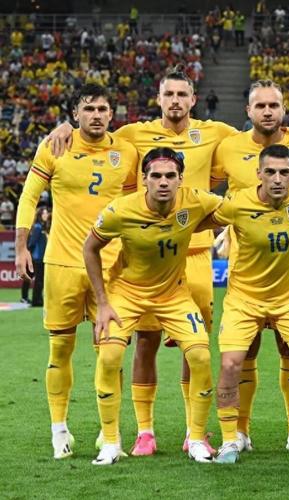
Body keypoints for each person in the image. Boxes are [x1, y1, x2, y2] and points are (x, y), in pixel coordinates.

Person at [46, 70, 289, 456]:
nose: (175, 100)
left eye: (182, 94)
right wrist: (65, 128)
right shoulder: (133, 134)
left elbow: (264, 135)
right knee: (146, 342)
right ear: (159, 99)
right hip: (148, 258)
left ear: (193, 99)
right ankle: (145, 431)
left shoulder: (218, 134)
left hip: (196, 252)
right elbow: (96, 134)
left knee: (197, 347)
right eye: (168, 93)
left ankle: (195, 432)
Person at [15, 83, 138, 459]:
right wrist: (21, 246)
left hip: (112, 267)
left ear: (112, 114)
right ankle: (59, 430)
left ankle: (108, 432)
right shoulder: (55, 145)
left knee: (111, 353)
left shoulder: (126, 151)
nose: (96, 115)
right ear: (75, 114)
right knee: (60, 348)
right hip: (62, 264)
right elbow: (29, 196)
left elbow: (134, 206)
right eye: (88, 108)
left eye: (102, 109)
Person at [84, 147, 222, 465]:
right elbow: (90, 248)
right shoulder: (120, 210)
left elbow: (240, 207)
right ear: (144, 179)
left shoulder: (195, 200)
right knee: (109, 356)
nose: (163, 182)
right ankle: (111, 442)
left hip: (174, 294)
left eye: (170, 176)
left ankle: (197, 438)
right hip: (126, 292)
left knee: (200, 355)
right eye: (156, 176)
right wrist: (102, 303)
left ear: (180, 179)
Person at [206, 145, 289, 464]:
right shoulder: (237, 204)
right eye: (270, 172)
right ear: (259, 174)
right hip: (243, 299)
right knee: (230, 365)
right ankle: (231, 440)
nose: (277, 179)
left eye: (284, 172)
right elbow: (200, 220)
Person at [210, 79, 289, 453]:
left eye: (274, 105)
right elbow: (206, 187)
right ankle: (238, 432)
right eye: (261, 105)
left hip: (287, 274)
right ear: (249, 111)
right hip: (245, 271)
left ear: (284, 110)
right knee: (245, 353)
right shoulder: (228, 147)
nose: (268, 111)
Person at [21, 207, 50, 307]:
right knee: (39, 279)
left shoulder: (42, 227)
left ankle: (33, 298)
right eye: (44, 213)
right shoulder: (38, 227)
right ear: (40, 215)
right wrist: (29, 254)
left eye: (47, 213)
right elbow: (32, 242)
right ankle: (36, 300)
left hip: (39, 257)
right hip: (37, 257)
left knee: (36, 278)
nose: (46, 215)